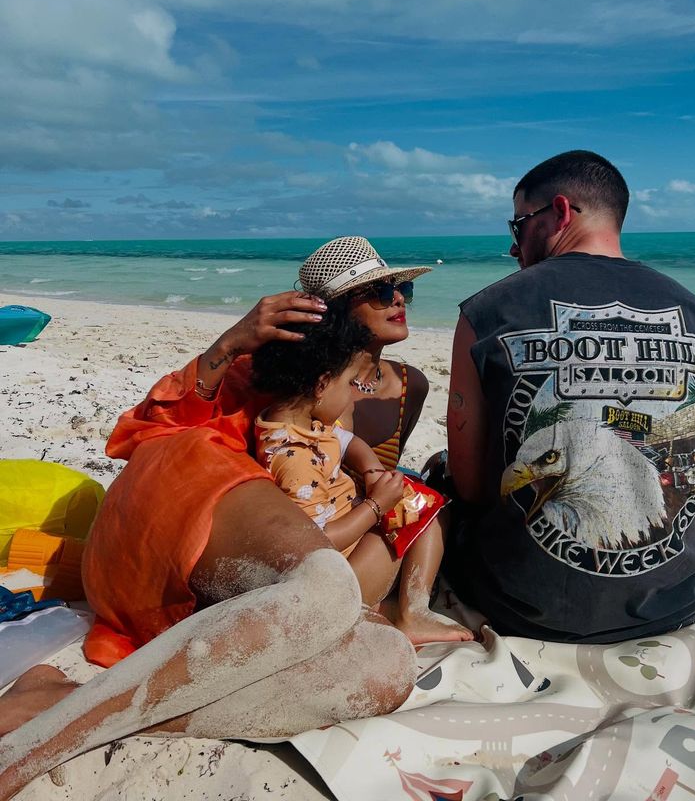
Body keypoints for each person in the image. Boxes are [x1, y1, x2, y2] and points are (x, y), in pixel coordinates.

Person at [0, 238, 432, 798]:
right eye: (379, 290)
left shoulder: (408, 383)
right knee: (327, 589)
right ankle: (25, 753)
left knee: (385, 667)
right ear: (326, 310)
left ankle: (59, 706)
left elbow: (366, 471)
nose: (399, 298)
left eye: (406, 287)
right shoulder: (277, 370)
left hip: (277, 552)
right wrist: (228, 343)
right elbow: (147, 429)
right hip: (198, 495)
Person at [445, 150, 695, 643]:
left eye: (517, 226)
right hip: (679, 600)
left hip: (521, 606)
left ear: (560, 212)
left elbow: (475, 487)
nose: (514, 248)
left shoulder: (488, 313)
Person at [252, 301, 472, 644]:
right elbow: (317, 540)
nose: (350, 397)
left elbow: (346, 440)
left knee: (413, 492)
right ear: (322, 384)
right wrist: (376, 507)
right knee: (427, 509)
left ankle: (384, 608)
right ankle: (411, 610)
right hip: (340, 574)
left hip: (349, 548)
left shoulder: (303, 423)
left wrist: (371, 471)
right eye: (348, 386)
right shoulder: (294, 458)